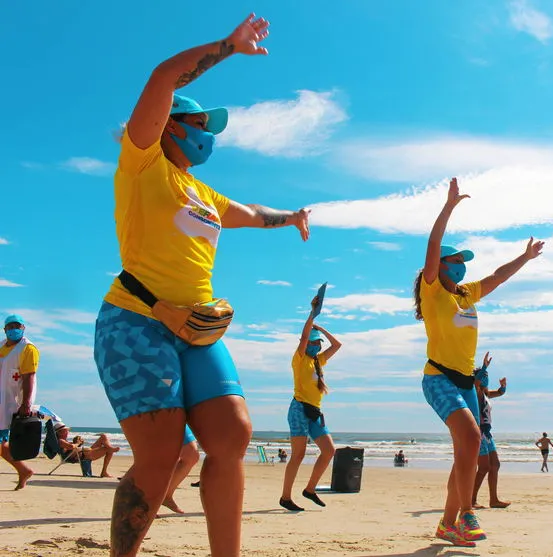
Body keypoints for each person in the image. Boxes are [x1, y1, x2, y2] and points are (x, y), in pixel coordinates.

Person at [92, 14, 312, 557]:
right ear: (171, 125)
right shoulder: (142, 162)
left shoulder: (202, 193)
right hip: (136, 321)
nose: (209, 137)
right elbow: (164, 77)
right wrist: (229, 48)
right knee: (162, 453)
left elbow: (249, 213)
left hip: (197, 327)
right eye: (203, 127)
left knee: (232, 435)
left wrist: (291, 216)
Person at [414, 177, 543, 547]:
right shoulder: (432, 288)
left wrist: (525, 257)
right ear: (440, 266)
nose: (461, 266)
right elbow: (433, 244)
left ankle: (446, 523)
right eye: (455, 261)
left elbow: (498, 277)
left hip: (466, 382)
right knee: (470, 440)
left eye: (462, 263)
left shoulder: (468, 294)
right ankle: (468, 511)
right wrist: (449, 206)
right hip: (438, 378)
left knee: (468, 454)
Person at [280, 303, 342, 512]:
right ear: (305, 343)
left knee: (329, 450)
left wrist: (321, 329)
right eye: (313, 342)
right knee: (298, 455)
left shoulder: (318, 361)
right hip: (299, 409)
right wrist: (311, 317)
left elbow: (337, 345)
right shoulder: (299, 360)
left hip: (315, 412)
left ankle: (310, 489)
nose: (316, 345)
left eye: (318, 343)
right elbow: (304, 337)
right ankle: (285, 497)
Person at [0, 314, 38, 490]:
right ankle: (23, 470)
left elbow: (29, 376)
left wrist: (26, 404)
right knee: (2, 444)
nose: (13, 329)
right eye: (10, 326)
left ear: (23, 328)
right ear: (5, 329)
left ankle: (23, 469)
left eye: (17, 326)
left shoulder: (27, 349)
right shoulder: (1, 346)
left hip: (12, 402)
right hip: (1, 399)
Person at [471, 352, 510, 509]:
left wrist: (503, 386)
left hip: (487, 433)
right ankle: (471, 500)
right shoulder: (475, 392)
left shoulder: (485, 394)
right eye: (484, 376)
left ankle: (493, 499)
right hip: (479, 432)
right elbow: (476, 383)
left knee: (495, 465)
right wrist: (484, 366)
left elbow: (500, 393)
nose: (486, 378)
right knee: (484, 467)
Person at [54, 423, 121, 477]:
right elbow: (71, 447)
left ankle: (110, 448)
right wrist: (78, 443)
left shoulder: (63, 441)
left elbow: (71, 447)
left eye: (67, 430)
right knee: (108, 449)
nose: (67, 432)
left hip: (86, 452)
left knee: (103, 436)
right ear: (59, 432)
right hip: (85, 456)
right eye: (65, 431)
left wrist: (77, 442)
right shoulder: (61, 441)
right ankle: (104, 472)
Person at [160, 427, 201, 514]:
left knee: (191, 454)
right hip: (149, 415)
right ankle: (141, 503)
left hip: (178, 415)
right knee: (150, 458)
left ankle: (166, 495)